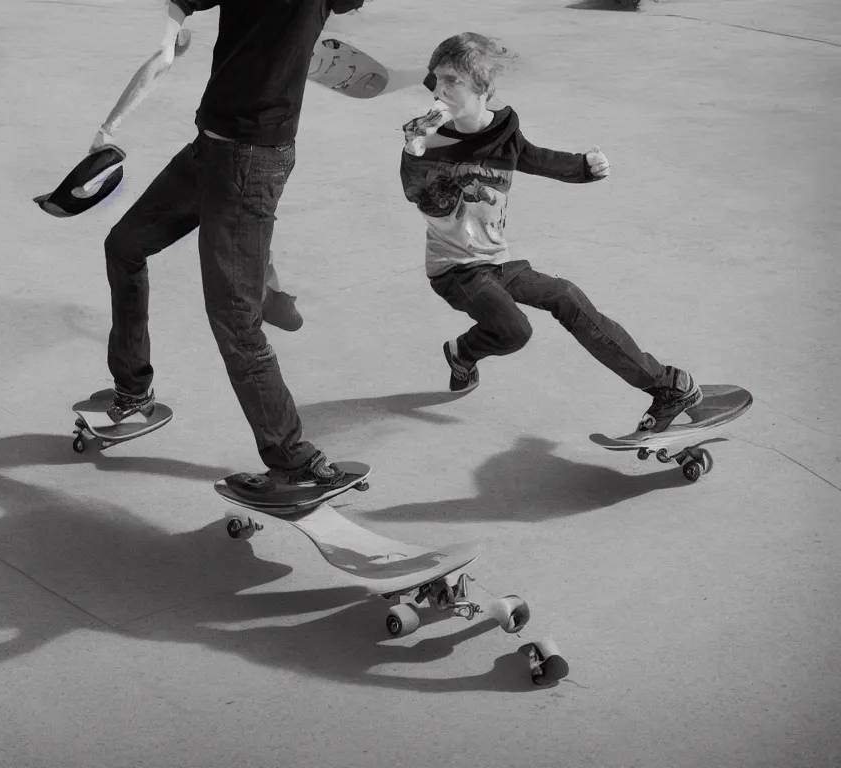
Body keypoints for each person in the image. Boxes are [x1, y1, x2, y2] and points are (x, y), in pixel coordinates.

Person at [89, 0, 370, 484]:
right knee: (126, 245)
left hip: (252, 161)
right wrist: (170, 30)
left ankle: (294, 460)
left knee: (235, 323)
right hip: (210, 147)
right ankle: (134, 390)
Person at [401, 32, 702, 433]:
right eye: (437, 79)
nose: (440, 90)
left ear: (483, 88)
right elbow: (417, 195)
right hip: (455, 271)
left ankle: (665, 384)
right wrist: (413, 152)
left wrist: (582, 168)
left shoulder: (503, 130)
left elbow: (532, 157)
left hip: (496, 262)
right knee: (514, 330)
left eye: (452, 80)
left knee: (567, 296)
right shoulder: (430, 140)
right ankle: (465, 351)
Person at [89, 21, 303, 332]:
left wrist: (107, 128)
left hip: (252, 151)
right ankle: (133, 381)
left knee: (237, 266)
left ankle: (262, 292)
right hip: (216, 145)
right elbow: (164, 56)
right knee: (124, 245)